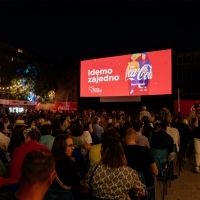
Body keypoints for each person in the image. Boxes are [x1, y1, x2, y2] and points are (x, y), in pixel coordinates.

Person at [82, 134, 145, 200]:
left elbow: (85, 190)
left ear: (104, 153)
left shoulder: (94, 169)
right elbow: (141, 193)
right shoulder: (129, 172)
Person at [193, 108, 200, 173]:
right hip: (196, 137)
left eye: (199, 113)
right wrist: (197, 118)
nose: (198, 114)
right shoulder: (194, 120)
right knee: (197, 152)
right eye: (197, 113)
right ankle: (197, 166)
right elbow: (196, 125)